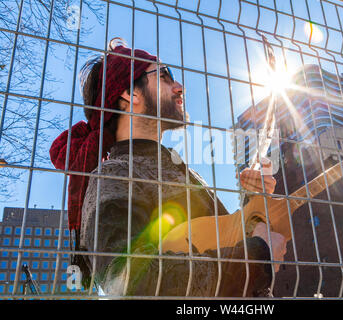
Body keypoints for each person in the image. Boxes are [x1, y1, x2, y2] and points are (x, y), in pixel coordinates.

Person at [50, 38, 286, 297]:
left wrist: (254, 202)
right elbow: (124, 282)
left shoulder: (179, 170)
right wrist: (257, 256)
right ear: (131, 94)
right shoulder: (113, 175)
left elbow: (223, 243)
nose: (180, 87)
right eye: (164, 76)